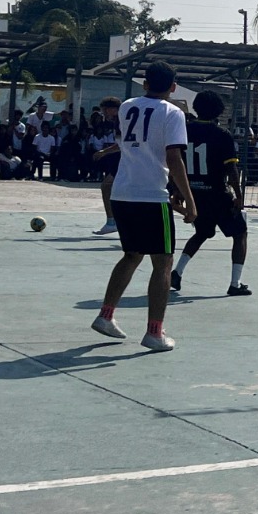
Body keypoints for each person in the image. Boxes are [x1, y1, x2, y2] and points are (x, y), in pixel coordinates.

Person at [89, 62, 196, 352]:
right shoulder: (173, 112)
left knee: (131, 255)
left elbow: (128, 143)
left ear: (145, 83)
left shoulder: (126, 107)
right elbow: (173, 157)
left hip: (123, 192)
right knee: (163, 263)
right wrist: (189, 200)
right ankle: (154, 332)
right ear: (173, 87)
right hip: (151, 196)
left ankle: (106, 315)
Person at [171, 90, 252, 296]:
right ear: (219, 110)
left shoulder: (185, 130)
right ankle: (235, 283)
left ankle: (177, 272)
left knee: (202, 232)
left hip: (194, 193)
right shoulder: (222, 135)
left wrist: (178, 189)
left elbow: (176, 162)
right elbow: (231, 169)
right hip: (217, 192)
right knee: (240, 234)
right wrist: (238, 194)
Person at [90, 96, 122, 234]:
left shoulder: (122, 121)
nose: (103, 114)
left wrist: (104, 152)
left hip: (128, 160)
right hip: (124, 159)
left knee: (107, 186)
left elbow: (122, 145)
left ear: (112, 109)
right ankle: (113, 221)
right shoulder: (118, 121)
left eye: (105, 110)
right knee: (110, 187)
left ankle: (112, 222)